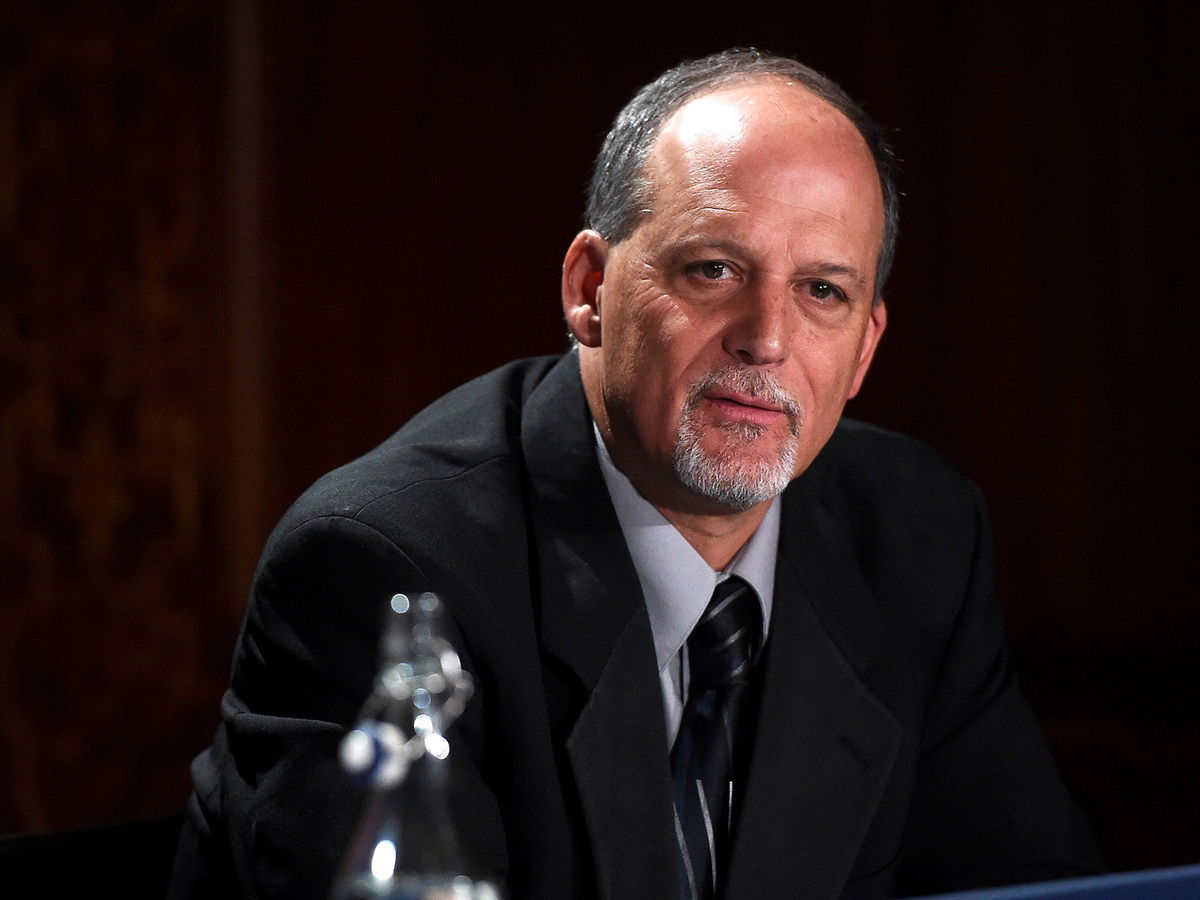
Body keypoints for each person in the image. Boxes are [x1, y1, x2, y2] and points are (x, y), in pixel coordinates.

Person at [169, 48, 1104, 900]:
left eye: (823, 291)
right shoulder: (387, 568)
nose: (767, 338)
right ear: (589, 291)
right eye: (712, 270)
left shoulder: (916, 534)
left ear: (864, 350)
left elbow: (1025, 887)